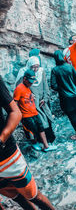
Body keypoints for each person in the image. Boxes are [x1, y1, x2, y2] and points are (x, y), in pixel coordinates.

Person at [0, 75, 55, 210]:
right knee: (17, 198)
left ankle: (43, 145)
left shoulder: (24, 88)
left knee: (34, 196)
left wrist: (1, 140)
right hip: (28, 116)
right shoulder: (20, 89)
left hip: (7, 157)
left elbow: (15, 111)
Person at [13, 70, 57, 152]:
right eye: (30, 82)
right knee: (32, 131)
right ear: (24, 79)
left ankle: (46, 146)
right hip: (26, 115)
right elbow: (15, 103)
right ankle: (34, 143)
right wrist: (18, 115)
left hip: (34, 112)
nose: (31, 83)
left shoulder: (28, 87)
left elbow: (27, 96)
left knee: (41, 128)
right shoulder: (19, 88)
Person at [51, 51, 76, 140]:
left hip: (65, 97)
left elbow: (53, 85)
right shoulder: (70, 67)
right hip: (75, 94)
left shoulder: (55, 70)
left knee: (71, 115)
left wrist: (62, 88)